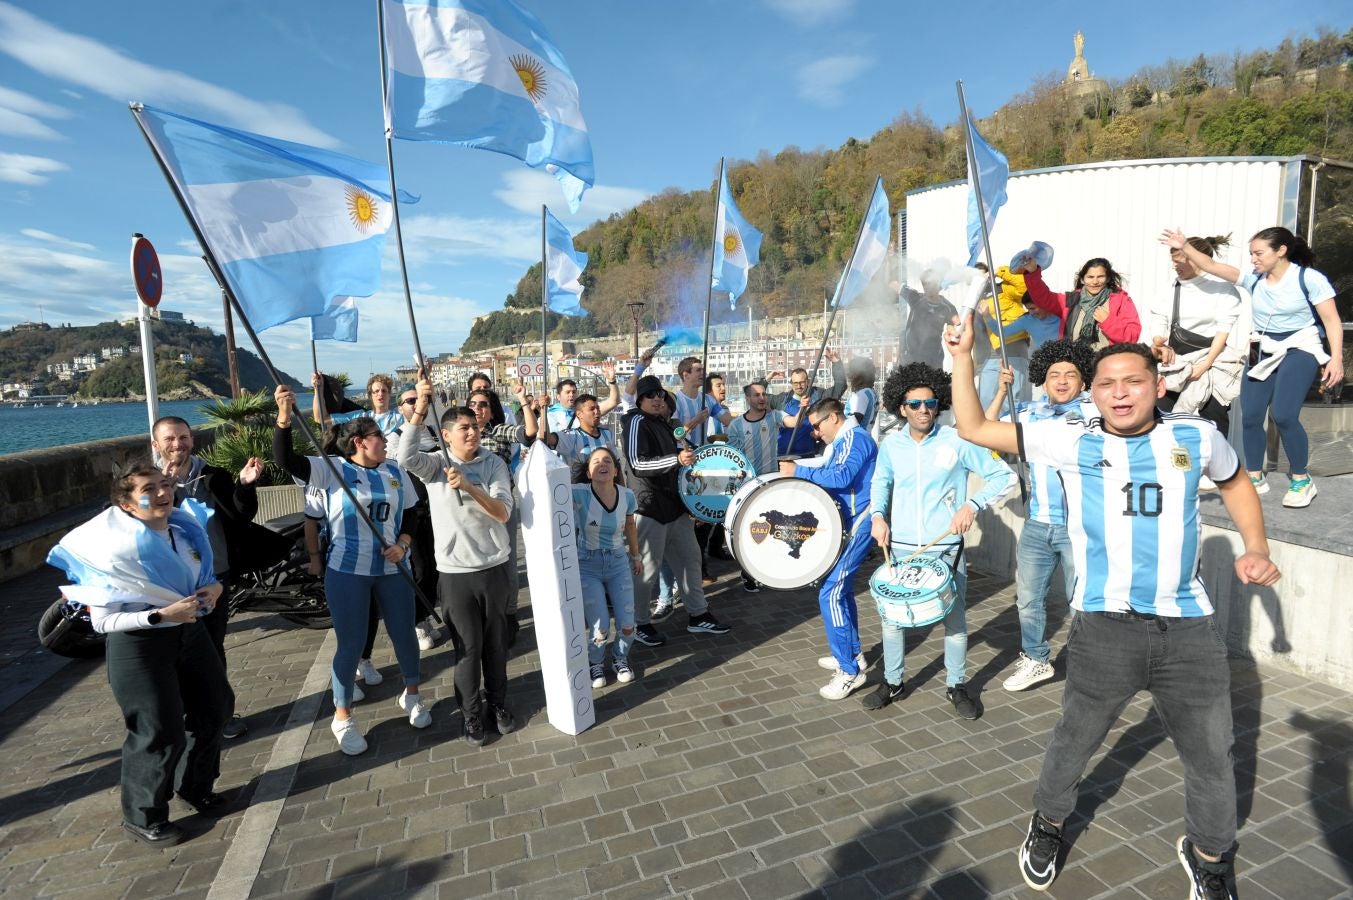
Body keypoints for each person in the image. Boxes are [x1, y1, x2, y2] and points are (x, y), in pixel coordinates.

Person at [943, 313, 1281, 897]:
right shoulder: (1070, 438)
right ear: (1093, 393)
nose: (1120, 393)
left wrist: (1256, 546)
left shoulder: (1195, 436)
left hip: (1190, 631)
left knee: (1213, 758)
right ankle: (1047, 824)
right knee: (1073, 742)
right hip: (1103, 627)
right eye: (1107, 383)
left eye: (1134, 381)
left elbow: (1235, 481)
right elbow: (972, 426)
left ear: (1158, 385)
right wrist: (962, 356)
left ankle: (1211, 856)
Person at [48, 461, 232, 847]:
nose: (162, 493)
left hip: (188, 633)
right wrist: (159, 615)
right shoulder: (112, 552)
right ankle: (143, 816)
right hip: (139, 645)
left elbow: (204, 579)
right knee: (157, 731)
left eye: (165, 484)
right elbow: (102, 622)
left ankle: (194, 787)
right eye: (149, 489)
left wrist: (212, 591)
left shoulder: (184, 531)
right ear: (127, 505)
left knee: (214, 709)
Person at [274, 386, 429, 756]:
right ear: (360, 442)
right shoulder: (332, 470)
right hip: (347, 571)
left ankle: (412, 695)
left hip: (393, 569)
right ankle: (342, 717)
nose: (384, 442)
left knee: (404, 634)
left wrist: (403, 543)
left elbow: (413, 512)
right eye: (378, 436)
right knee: (351, 642)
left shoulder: (394, 471)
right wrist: (283, 419)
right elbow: (286, 459)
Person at [867, 363, 1014, 719]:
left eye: (930, 402)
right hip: (900, 547)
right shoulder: (891, 445)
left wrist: (972, 504)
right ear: (901, 407)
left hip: (946, 548)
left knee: (955, 619)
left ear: (939, 403)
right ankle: (893, 680)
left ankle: (956, 684)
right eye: (914, 404)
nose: (923, 410)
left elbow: (1002, 475)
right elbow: (881, 483)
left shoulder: (957, 438)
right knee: (893, 619)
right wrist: (877, 516)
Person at [1162, 226, 1343, 508]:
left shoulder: (1309, 279)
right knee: (1250, 416)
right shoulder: (1254, 280)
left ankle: (1301, 479)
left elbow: (1331, 320)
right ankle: (1256, 476)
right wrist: (1184, 246)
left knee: (1283, 415)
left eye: (1259, 253)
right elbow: (1210, 264)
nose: (1254, 259)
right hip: (1263, 347)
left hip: (1300, 346)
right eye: (1251, 254)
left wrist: (1336, 359)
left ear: (1281, 251)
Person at [399, 378, 518, 746]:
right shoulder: (435, 464)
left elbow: (502, 513)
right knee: (467, 652)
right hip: (455, 575)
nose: (472, 432)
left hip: (495, 569)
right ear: (447, 435)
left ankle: (497, 704)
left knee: (496, 648)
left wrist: (469, 486)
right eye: (463, 428)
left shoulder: (494, 463)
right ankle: (470, 716)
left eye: (475, 426)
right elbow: (404, 457)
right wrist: (420, 405)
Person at [983, 340, 1096, 693]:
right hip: (1036, 525)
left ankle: (1087, 665)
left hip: (1079, 527)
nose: (1062, 381)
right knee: (1028, 599)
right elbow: (985, 430)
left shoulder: (1095, 414)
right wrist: (1003, 392)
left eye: (1070, 374)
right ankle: (1036, 659)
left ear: (1083, 380)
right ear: (1043, 380)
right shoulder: (1029, 413)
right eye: (1054, 375)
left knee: (1083, 602)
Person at [151, 416, 268, 740]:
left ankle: (221, 715)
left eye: (183, 437)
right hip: (168, 584)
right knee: (173, 652)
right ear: (156, 445)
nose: (178, 444)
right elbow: (138, 526)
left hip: (213, 578)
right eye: (170, 439)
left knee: (212, 648)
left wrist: (244, 485)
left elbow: (241, 514)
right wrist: (166, 491)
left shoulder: (213, 477)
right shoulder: (148, 483)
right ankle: (185, 715)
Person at [775, 398, 877, 700]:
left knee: (830, 592)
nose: (816, 434)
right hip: (851, 520)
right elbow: (829, 465)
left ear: (833, 418)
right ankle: (852, 653)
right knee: (841, 590)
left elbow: (842, 476)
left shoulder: (855, 439)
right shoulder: (846, 439)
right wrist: (798, 466)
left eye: (817, 426)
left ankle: (849, 672)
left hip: (861, 520)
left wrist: (798, 472)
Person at [623, 375, 731, 646]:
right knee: (646, 571)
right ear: (639, 400)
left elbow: (687, 454)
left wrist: (707, 456)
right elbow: (637, 464)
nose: (658, 399)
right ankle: (639, 623)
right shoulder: (636, 422)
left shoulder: (668, 424)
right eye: (651, 395)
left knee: (691, 561)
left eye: (660, 394)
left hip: (676, 508)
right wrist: (676, 459)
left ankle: (698, 614)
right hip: (649, 509)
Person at [1147, 234, 1249, 449]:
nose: (1175, 266)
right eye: (1173, 260)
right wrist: (1159, 341)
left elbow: (1223, 331)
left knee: (1213, 414)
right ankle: (1166, 463)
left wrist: (1205, 365)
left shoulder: (1224, 290)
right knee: (1160, 411)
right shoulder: (1169, 290)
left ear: (1195, 259)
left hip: (1212, 359)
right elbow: (1159, 320)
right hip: (1176, 360)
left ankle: (1216, 467)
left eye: (1179, 260)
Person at [571, 446, 641, 688]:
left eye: (608, 461)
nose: (602, 464)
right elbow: (552, 490)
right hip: (586, 565)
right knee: (600, 625)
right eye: (596, 461)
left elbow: (630, 527)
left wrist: (636, 556)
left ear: (615, 470)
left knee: (628, 624)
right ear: (589, 473)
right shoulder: (578, 493)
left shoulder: (627, 495)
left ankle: (620, 658)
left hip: (618, 563)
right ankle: (596, 662)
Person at [725, 380, 780, 592]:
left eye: (764, 394)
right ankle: (748, 572)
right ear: (748, 398)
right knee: (751, 530)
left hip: (773, 483)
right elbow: (733, 457)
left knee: (773, 527)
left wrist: (803, 408)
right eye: (756, 395)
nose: (762, 398)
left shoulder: (775, 416)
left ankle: (768, 569)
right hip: (749, 487)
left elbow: (793, 421)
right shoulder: (737, 425)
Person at [1020, 256, 1141, 349]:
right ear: (1082, 279)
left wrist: (1107, 321)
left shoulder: (1121, 300)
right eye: (1090, 277)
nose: (1095, 281)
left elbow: (1132, 337)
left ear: (1108, 278)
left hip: (1107, 367)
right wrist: (1033, 272)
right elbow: (1043, 298)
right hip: (1075, 366)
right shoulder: (1071, 300)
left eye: (1100, 277)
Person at [547, 366, 620, 432]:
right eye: (568, 392)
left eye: (574, 392)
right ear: (558, 397)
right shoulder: (549, 414)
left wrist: (612, 381)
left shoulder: (586, 410)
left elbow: (613, 402)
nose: (571, 395)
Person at [842, 357, 879, 429]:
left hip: (855, 437)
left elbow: (854, 422)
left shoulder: (861, 395)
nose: (848, 376)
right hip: (865, 434)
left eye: (850, 372)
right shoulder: (872, 393)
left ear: (857, 375)